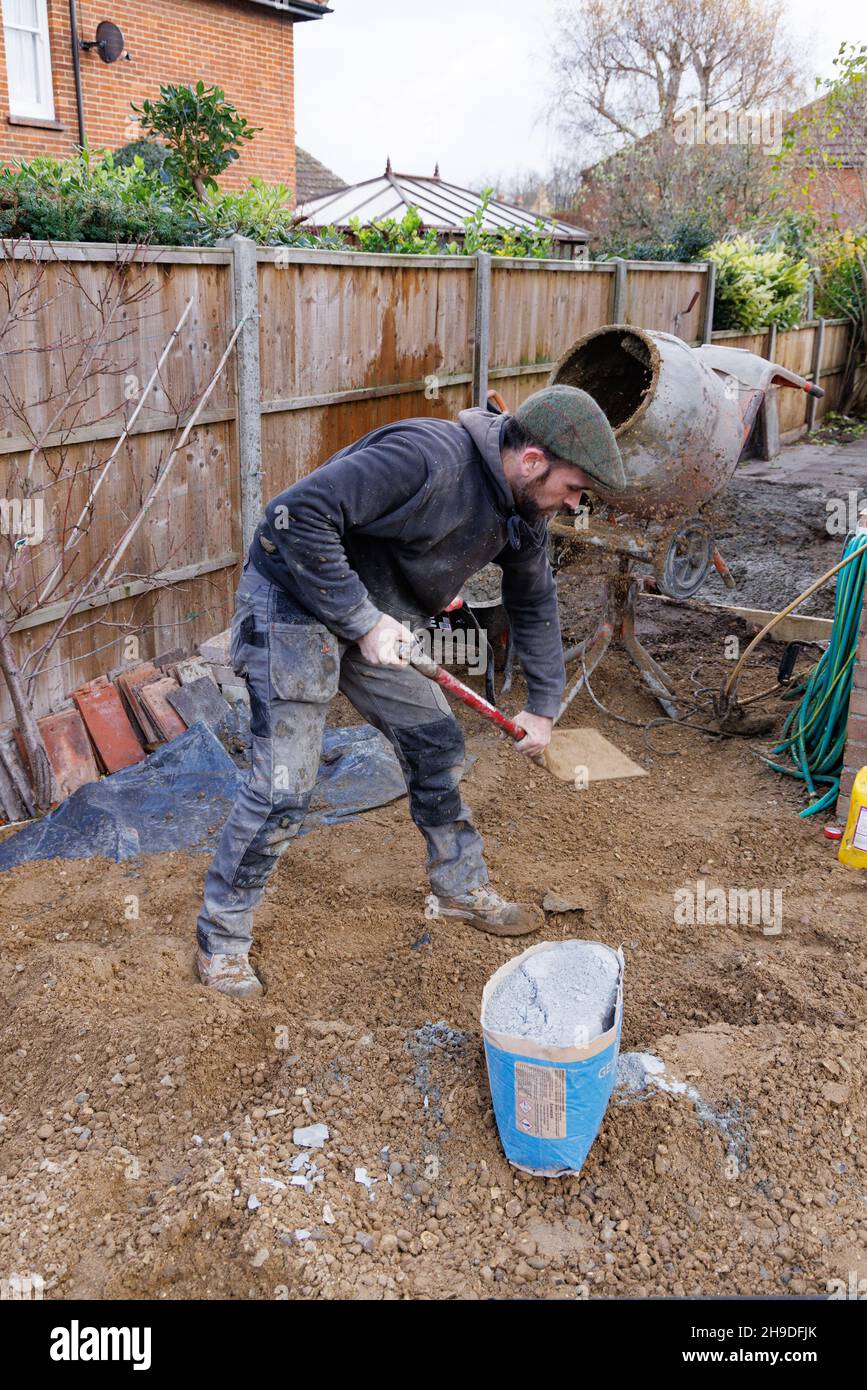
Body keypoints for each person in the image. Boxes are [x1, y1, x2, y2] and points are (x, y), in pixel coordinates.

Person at [195, 385, 626, 997]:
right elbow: (291, 516)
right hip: (292, 604)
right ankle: (223, 941)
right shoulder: (426, 457)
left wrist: (544, 705)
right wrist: (361, 620)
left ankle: (458, 887)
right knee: (284, 787)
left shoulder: (526, 512)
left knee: (437, 746)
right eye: (575, 487)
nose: (576, 503)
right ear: (533, 461)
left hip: (380, 617)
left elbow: (534, 602)